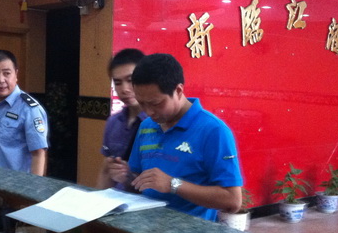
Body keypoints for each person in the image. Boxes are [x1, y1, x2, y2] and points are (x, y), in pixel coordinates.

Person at [107, 53, 243, 221]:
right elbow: (139, 184)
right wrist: (126, 177)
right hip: (146, 227)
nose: (148, 112)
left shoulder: (213, 131)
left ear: (178, 91)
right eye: (142, 103)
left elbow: (233, 201)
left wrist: (173, 184)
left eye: (156, 103)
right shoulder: (147, 126)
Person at [0, 49, 49, 176]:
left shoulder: (29, 109)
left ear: (16, 75)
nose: (0, 80)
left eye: (7, 73)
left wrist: (33, 187)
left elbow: (38, 154)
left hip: (14, 184)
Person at [96, 48, 147, 189]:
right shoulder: (113, 122)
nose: (124, 89)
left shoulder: (160, 123)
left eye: (130, 80)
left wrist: (130, 177)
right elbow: (106, 170)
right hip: (116, 198)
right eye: (118, 83)